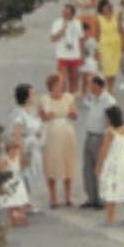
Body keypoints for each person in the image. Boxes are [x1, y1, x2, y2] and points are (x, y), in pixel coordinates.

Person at [40, 74, 80, 207]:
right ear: (51, 87)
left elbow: (75, 115)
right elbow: (41, 117)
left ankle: (68, 196)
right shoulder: (45, 100)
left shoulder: (68, 98)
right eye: (57, 85)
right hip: (51, 133)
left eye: (61, 85)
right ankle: (53, 197)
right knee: (52, 164)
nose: (59, 88)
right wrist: (46, 116)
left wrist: (73, 114)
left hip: (67, 132)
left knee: (67, 163)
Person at [79, 75, 117, 210]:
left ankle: (102, 197)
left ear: (97, 86)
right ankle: (91, 197)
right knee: (88, 168)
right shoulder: (92, 99)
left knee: (101, 167)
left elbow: (112, 123)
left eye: (90, 84)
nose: (88, 87)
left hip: (101, 136)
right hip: (90, 135)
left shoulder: (108, 101)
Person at [96, 105, 124, 227]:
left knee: (111, 189)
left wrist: (100, 164)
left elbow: (104, 150)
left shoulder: (110, 133)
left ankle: (110, 218)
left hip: (112, 163)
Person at [9, 83, 45, 212]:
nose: (34, 96)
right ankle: (21, 203)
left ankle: (25, 201)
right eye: (32, 94)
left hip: (33, 146)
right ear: (26, 97)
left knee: (29, 175)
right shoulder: (19, 114)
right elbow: (17, 134)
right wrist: (21, 152)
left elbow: (35, 126)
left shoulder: (31, 111)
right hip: (25, 147)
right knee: (23, 175)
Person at [50, 4, 85, 94]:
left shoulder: (77, 23)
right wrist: (62, 30)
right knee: (62, 80)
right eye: (63, 12)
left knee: (74, 80)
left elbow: (81, 39)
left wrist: (82, 55)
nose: (64, 15)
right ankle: (63, 98)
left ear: (72, 14)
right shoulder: (57, 23)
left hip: (75, 55)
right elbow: (53, 39)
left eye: (67, 13)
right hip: (62, 55)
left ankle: (71, 99)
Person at [0, 138, 31, 226]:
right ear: (8, 151)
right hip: (8, 182)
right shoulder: (5, 160)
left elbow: (25, 164)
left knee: (20, 201)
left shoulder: (19, 157)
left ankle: (21, 216)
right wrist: (2, 184)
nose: (15, 152)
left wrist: (24, 155)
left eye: (16, 149)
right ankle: (12, 219)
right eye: (12, 150)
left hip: (18, 181)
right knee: (10, 202)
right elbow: (1, 172)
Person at [96, 0, 124, 93]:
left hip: (116, 45)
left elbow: (121, 30)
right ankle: (107, 87)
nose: (107, 8)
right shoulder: (98, 18)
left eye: (109, 6)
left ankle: (111, 87)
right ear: (101, 8)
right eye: (105, 6)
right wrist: (96, 50)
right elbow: (97, 34)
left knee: (114, 68)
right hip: (104, 46)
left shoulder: (115, 17)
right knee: (107, 67)